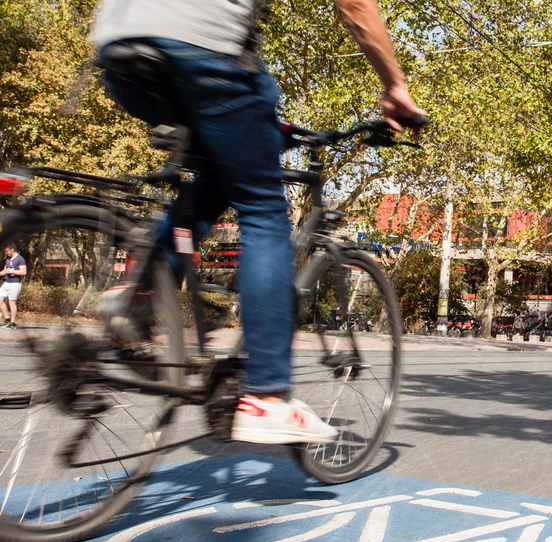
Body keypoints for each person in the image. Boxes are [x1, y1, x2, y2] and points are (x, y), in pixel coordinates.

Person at [90, 0, 426, 444]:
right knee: (265, 213)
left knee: (218, 175)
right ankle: (265, 397)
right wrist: (395, 86)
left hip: (118, 47)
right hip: (202, 46)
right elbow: (356, 4)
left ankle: (139, 294)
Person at [0, 245, 26, 330]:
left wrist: (12, 271)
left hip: (15, 283)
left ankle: (13, 323)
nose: (6, 253)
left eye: (7, 251)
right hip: (7, 282)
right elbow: (5, 270)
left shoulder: (20, 259)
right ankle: (7, 319)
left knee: (12, 303)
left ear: (12, 249)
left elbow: (23, 272)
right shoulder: (8, 259)